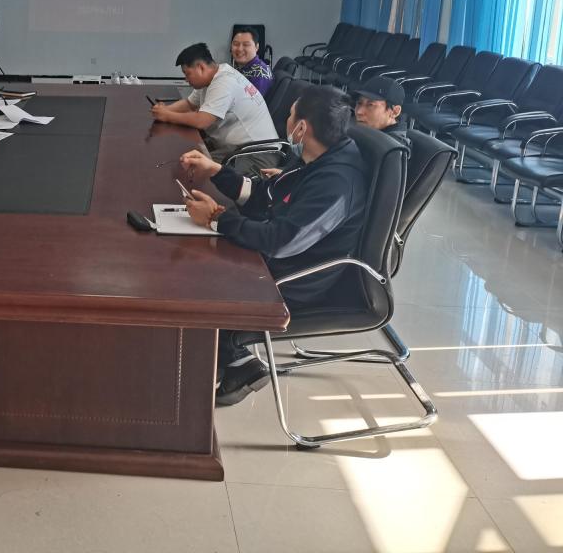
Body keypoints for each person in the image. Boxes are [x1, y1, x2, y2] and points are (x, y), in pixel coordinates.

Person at [179, 86, 367, 406]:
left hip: (298, 276)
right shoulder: (316, 158)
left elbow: (281, 242)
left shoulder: (336, 182)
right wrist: (217, 172)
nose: (286, 121)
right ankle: (235, 359)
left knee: (198, 271)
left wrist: (216, 218)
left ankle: (218, 359)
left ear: (302, 128)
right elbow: (266, 196)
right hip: (281, 257)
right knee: (197, 254)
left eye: (290, 115)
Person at [151, 42, 279, 168]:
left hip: (258, 155)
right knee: (190, 161)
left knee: (194, 167)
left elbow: (202, 121)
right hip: (237, 149)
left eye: (187, 73)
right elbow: (189, 104)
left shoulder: (224, 82)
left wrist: (167, 116)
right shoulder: (213, 76)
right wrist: (164, 110)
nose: (186, 79)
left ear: (201, 67)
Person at [352, 76, 410, 147]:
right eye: (359, 103)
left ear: (395, 112)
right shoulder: (369, 133)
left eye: (370, 105)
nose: (359, 112)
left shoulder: (389, 149)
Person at [230, 26, 273, 97]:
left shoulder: (260, 73)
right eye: (236, 44)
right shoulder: (241, 67)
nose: (240, 49)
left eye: (246, 45)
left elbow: (250, 102)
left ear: (257, 47)